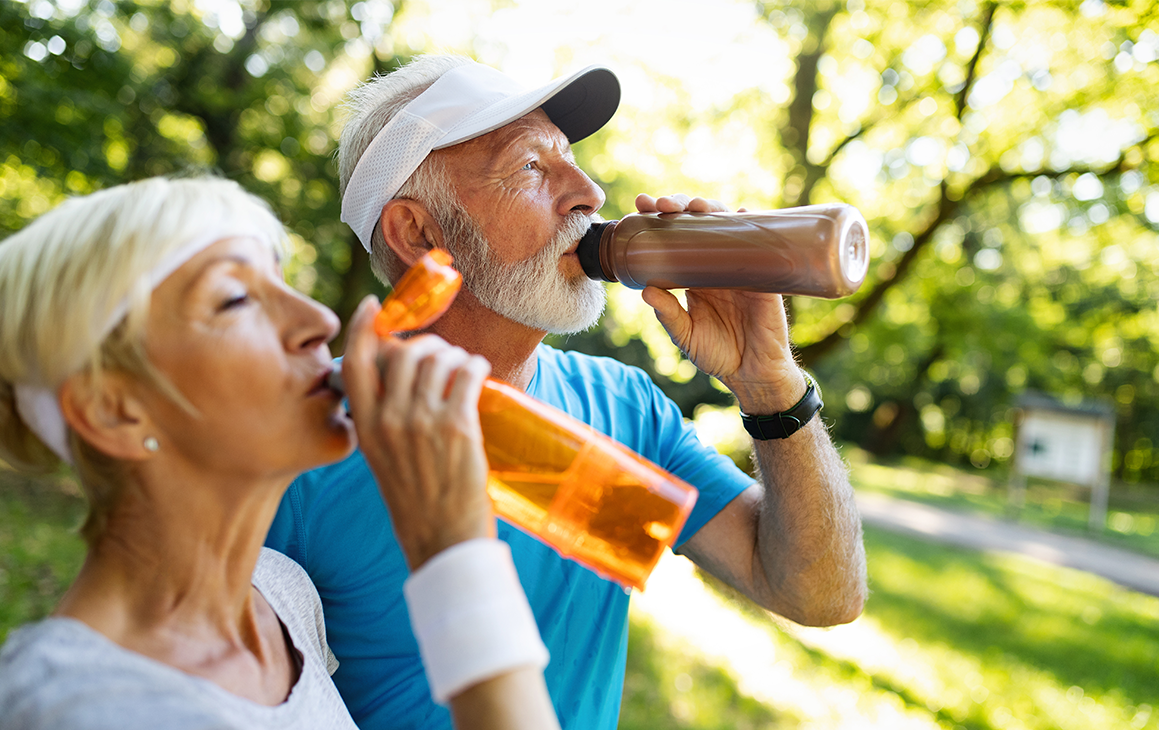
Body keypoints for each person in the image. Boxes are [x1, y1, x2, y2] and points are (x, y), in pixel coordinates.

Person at [265, 55, 869, 730]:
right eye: (530, 166)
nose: (589, 191)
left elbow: (818, 595)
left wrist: (770, 383)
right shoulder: (296, 444)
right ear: (418, 232)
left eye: (572, 160)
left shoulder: (623, 409)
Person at [0, 176, 561, 729]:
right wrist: (452, 552)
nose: (320, 322)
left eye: (282, 282)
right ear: (113, 410)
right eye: (235, 298)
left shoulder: (282, 597)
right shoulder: (74, 703)